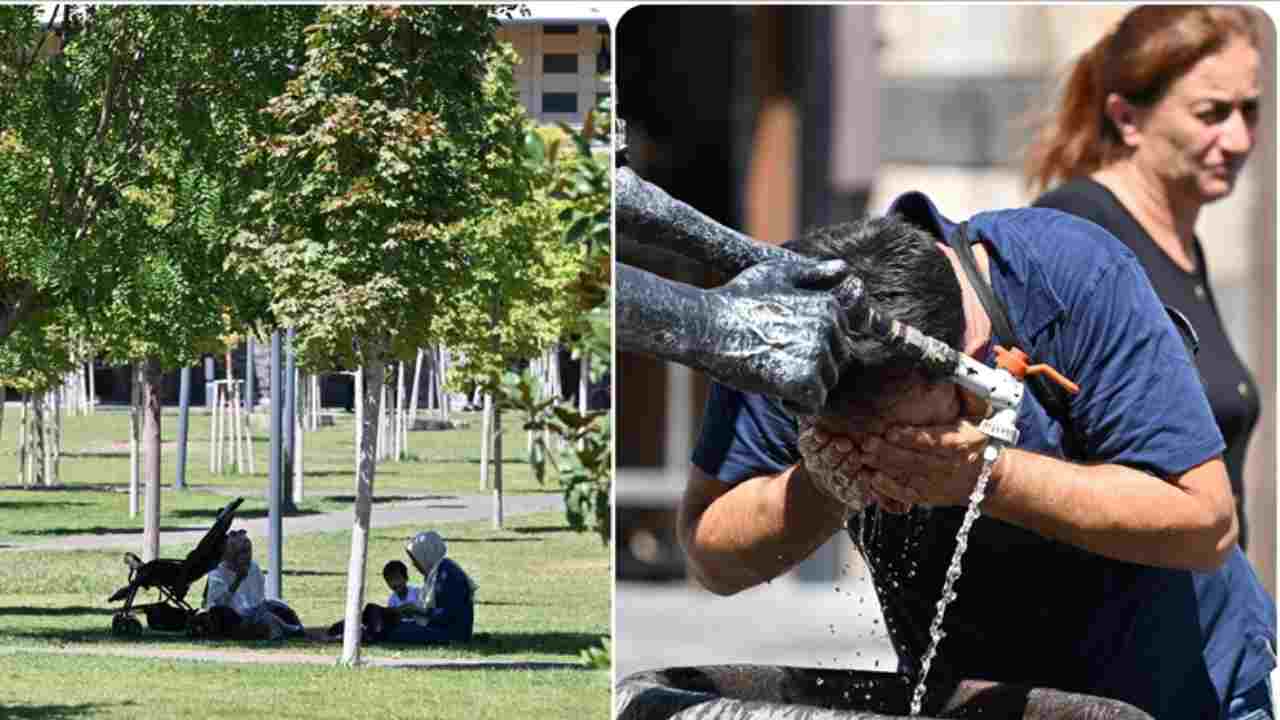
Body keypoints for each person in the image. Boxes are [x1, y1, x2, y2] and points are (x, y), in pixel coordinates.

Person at [683, 195, 1275, 719]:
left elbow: (1207, 524)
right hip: (976, 700)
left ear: (971, 370)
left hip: (1190, 694)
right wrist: (826, 483)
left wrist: (987, 474)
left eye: (903, 442)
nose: (887, 477)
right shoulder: (791, 325)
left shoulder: (1072, 276)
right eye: (853, 446)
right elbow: (712, 556)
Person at [1025, 5, 1265, 550]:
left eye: (1249, 111)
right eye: (1212, 113)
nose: (1238, 139)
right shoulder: (1077, 232)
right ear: (1127, 118)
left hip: (1213, 616)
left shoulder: (1182, 241)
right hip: (1115, 619)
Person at [202, 530, 304, 640]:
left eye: (248, 551)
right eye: (242, 552)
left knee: (278, 606)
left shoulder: (253, 568)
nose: (247, 556)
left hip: (252, 613)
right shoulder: (217, 573)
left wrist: (258, 609)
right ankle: (286, 630)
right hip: (230, 618)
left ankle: (295, 628)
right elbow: (219, 604)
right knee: (266, 618)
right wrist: (237, 581)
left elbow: (257, 599)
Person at [379, 531, 477, 645]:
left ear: (426, 554)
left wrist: (417, 610)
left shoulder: (446, 575)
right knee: (397, 627)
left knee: (396, 630)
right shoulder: (439, 570)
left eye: (415, 560)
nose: (414, 564)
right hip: (446, 629)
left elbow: (445, 616)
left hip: (452, 634)